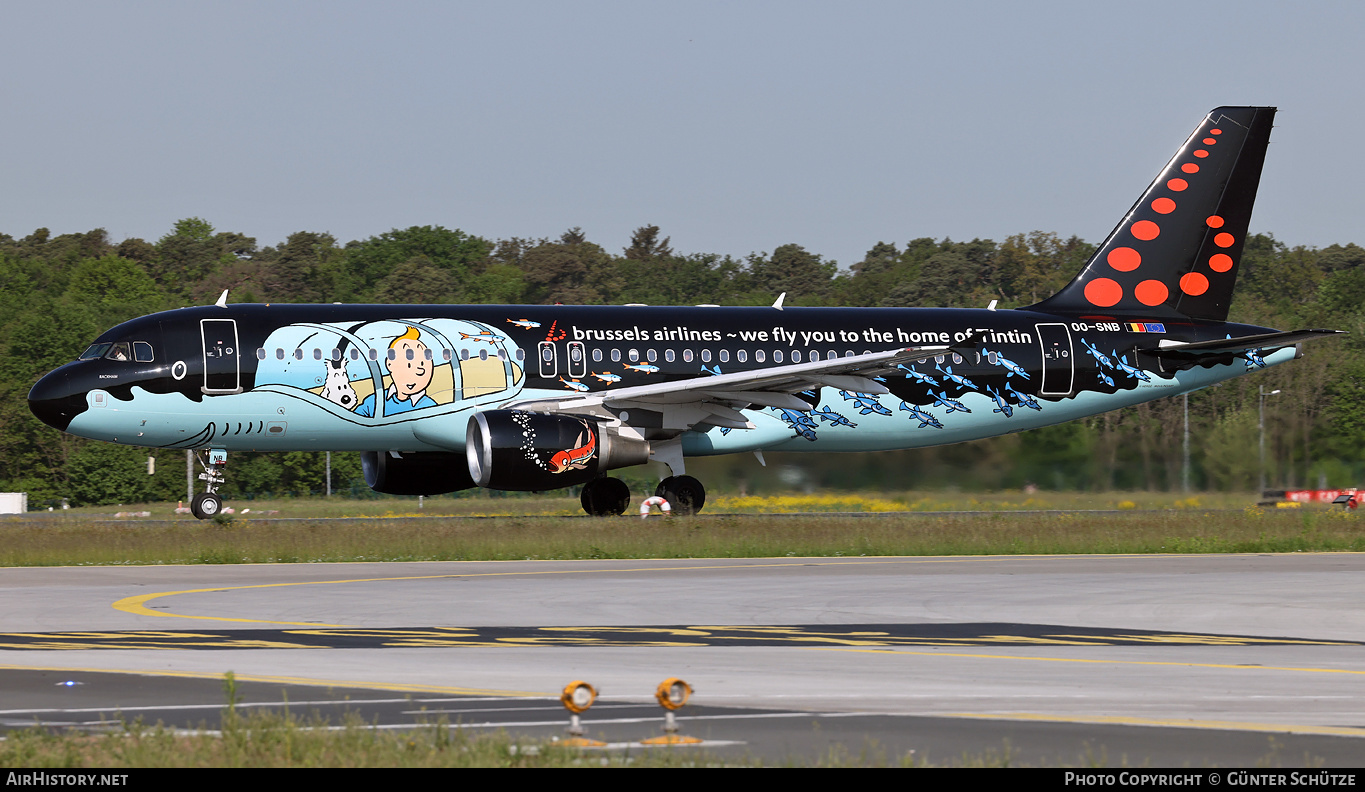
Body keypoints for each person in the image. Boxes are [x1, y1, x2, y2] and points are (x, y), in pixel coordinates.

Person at [356, 327, 436, 417]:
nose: (418, 371)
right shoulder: (374, 401)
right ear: (389, 364)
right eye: (409, 365)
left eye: (422, 364)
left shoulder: (431, 407)